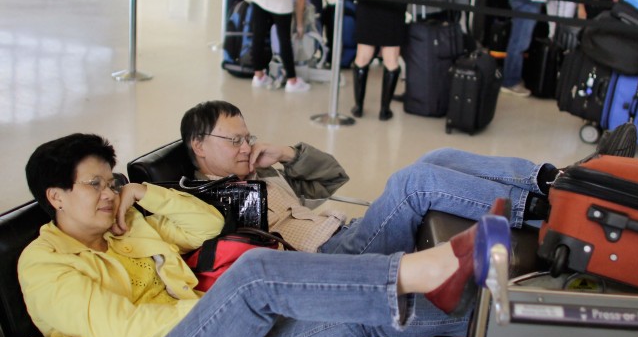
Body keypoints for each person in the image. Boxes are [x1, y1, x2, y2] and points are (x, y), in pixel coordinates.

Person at [17, 133, 500, 337]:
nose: (108, 194)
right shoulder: (43, 264)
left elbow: (208, 224)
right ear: (55, 197)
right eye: (94, 185)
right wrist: (230, 328)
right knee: (254, 273)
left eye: (112, 182)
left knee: (345, 313)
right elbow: (124, 331)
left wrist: (143, 193)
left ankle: (501, 315)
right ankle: (427, 270)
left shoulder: (125, 229)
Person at [180, 100, 564, 257]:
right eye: (235, 141)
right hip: (329, 259)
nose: (246, 146)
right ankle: (549, 214)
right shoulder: (205, 202)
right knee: (412, 183)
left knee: (436, 157)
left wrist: (286, 154)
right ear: (199, 146)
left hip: (349, 232)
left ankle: (548, 180)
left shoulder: (253, 172)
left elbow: (331, 178)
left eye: (247, 137)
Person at [245, 0, 343, 93]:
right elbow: (301, 0)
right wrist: (299, 25)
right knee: (284, 38)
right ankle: (292, 81)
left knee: (258, 34)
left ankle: (258, 77)